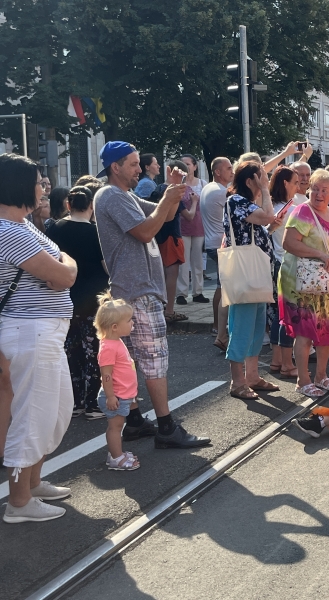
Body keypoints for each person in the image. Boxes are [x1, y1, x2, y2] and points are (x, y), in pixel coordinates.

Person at [93, 140, 210, 449]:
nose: (139, 169)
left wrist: (174, 190)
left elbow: (165, 215)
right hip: (139, 291)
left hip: (135, 289)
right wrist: (170, 196)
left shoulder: (124, 195)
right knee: (154, 362)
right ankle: (167, 427)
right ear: (115, 167)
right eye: (133, 164)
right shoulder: (110, 195)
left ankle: (133, 422)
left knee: (130, 362)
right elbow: (147, 230)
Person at [0, 153, 77, 523]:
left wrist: (64, 267)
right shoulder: (9, 230)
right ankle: (18, 502)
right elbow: (64, 275)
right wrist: (64, 268)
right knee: (32, 416)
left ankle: (31, 483)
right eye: (37, 182)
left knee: (54, 412)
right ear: (19, 185)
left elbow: (64, 262)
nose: (43, 188)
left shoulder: (23, 225)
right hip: (31, 330)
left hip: (44, 330)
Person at [278, 169, 329, 398]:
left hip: (326, 283)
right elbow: (289, 243)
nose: (318, 194)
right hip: (301, 283)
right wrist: (320, 254)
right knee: (305, 332)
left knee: (327, 329)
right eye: (314, 189)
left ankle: (321, 376)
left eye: (323, 190)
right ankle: (303, 379)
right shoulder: (302, 211)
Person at [46, 185, 109, 420]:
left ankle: (75, 402)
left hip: (65, 298)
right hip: (93, 298)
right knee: (94, 350)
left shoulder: (55, 229)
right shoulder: (96, 232)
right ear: (91, 206)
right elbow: (105, 265)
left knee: (71, 351)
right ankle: (93, 403)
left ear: (68, 205)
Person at [222, 161, 282, 400]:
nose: (264, 182)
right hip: (246, 274)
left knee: (257, 326)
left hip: (255, 273)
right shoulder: (236, 201)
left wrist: (271, 225)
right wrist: (266, 190)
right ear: (250, 181)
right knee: (242, 327)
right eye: (261, 178)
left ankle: (252, 376)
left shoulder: (246, 204)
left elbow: (263, 225)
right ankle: (237, 382)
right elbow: (267, 217)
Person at [94, 293, 141, 471]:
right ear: (115, 327)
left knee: (118, 425)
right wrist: (110, 396)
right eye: (129, 320)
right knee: (116, 427)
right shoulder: (108, 347)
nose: (132, 323)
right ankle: (116, 458)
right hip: (116, 396)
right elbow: (106, 375)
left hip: (122, 395)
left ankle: (117, 453)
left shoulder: (116, 341)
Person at [153, 160, 199, 324]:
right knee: (172, 274)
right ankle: (169, 310)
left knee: (159, 273)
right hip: (172, 234)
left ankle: (160, 307)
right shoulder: (174, 191)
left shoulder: (158, 188)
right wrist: (194, 202)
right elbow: (189, 216)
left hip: (156, 235)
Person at [265, 165, 299, 378]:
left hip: (276, 264)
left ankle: (277, 360)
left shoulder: (272, 206)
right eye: (295, 182)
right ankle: (287, 363)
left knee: (279, 315)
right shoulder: (289, 209)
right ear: (285, 183)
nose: (298, 186)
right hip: (287, 264)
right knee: (289, 315)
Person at [201, 156, 234, 351]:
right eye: (228, 168)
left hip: (212, 242)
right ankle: (221, 332)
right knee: (226, 289)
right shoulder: (221, 192)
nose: (232, 171)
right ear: (218, 172)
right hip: (220, 244)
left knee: (222, 287)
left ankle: (218, 329)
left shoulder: (208, 188)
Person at [176, 153, 208, 305]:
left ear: (195, 166)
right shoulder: (177, 184)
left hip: (198, 227)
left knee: (198, 261)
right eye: (182, 164)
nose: (185, 167)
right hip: (182, 227)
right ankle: (181, 293)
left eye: (188, 164)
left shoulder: (202, 183)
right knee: (183, 261)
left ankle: (198, 292)